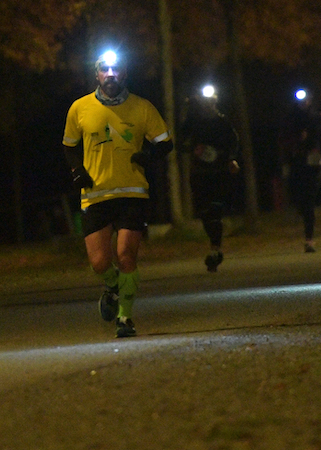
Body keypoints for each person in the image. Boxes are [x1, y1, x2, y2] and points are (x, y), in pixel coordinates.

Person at [63, 49, 172, 338]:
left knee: (126, 256)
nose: (110, 75)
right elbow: (69, 145)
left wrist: (147, 156)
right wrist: (77, 171)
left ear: (124, 74)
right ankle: (112, 286)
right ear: (96, 74)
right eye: (104, 70)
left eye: (116, 70)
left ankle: (125, 318)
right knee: (100, 263)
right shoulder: (79, 108)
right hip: (95, 194)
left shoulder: (142, 107)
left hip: (133, 193)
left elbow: (165, 143)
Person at [178, 85, 241, 272]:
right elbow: (180, 142)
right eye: (205, 102)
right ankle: (215, 246)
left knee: (215, 211)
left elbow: (234, 142)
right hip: (199, 173)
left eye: (212, 101)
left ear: (215, 102)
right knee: (205, 212)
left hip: (218, 172)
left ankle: (215, 249)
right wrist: (192, 149)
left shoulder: (223, 123)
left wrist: (231, 159)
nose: (209, 105)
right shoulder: (193, 121)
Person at [278, 88, 321, 253]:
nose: (303, 103)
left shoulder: (317, 116)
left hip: (314, 159)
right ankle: (302, 210)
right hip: (297, 160)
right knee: (299, 196)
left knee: (309, 198)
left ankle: (309, 239)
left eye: (306, 99)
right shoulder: (290, 118)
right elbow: (282, 139)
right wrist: (295, 140)